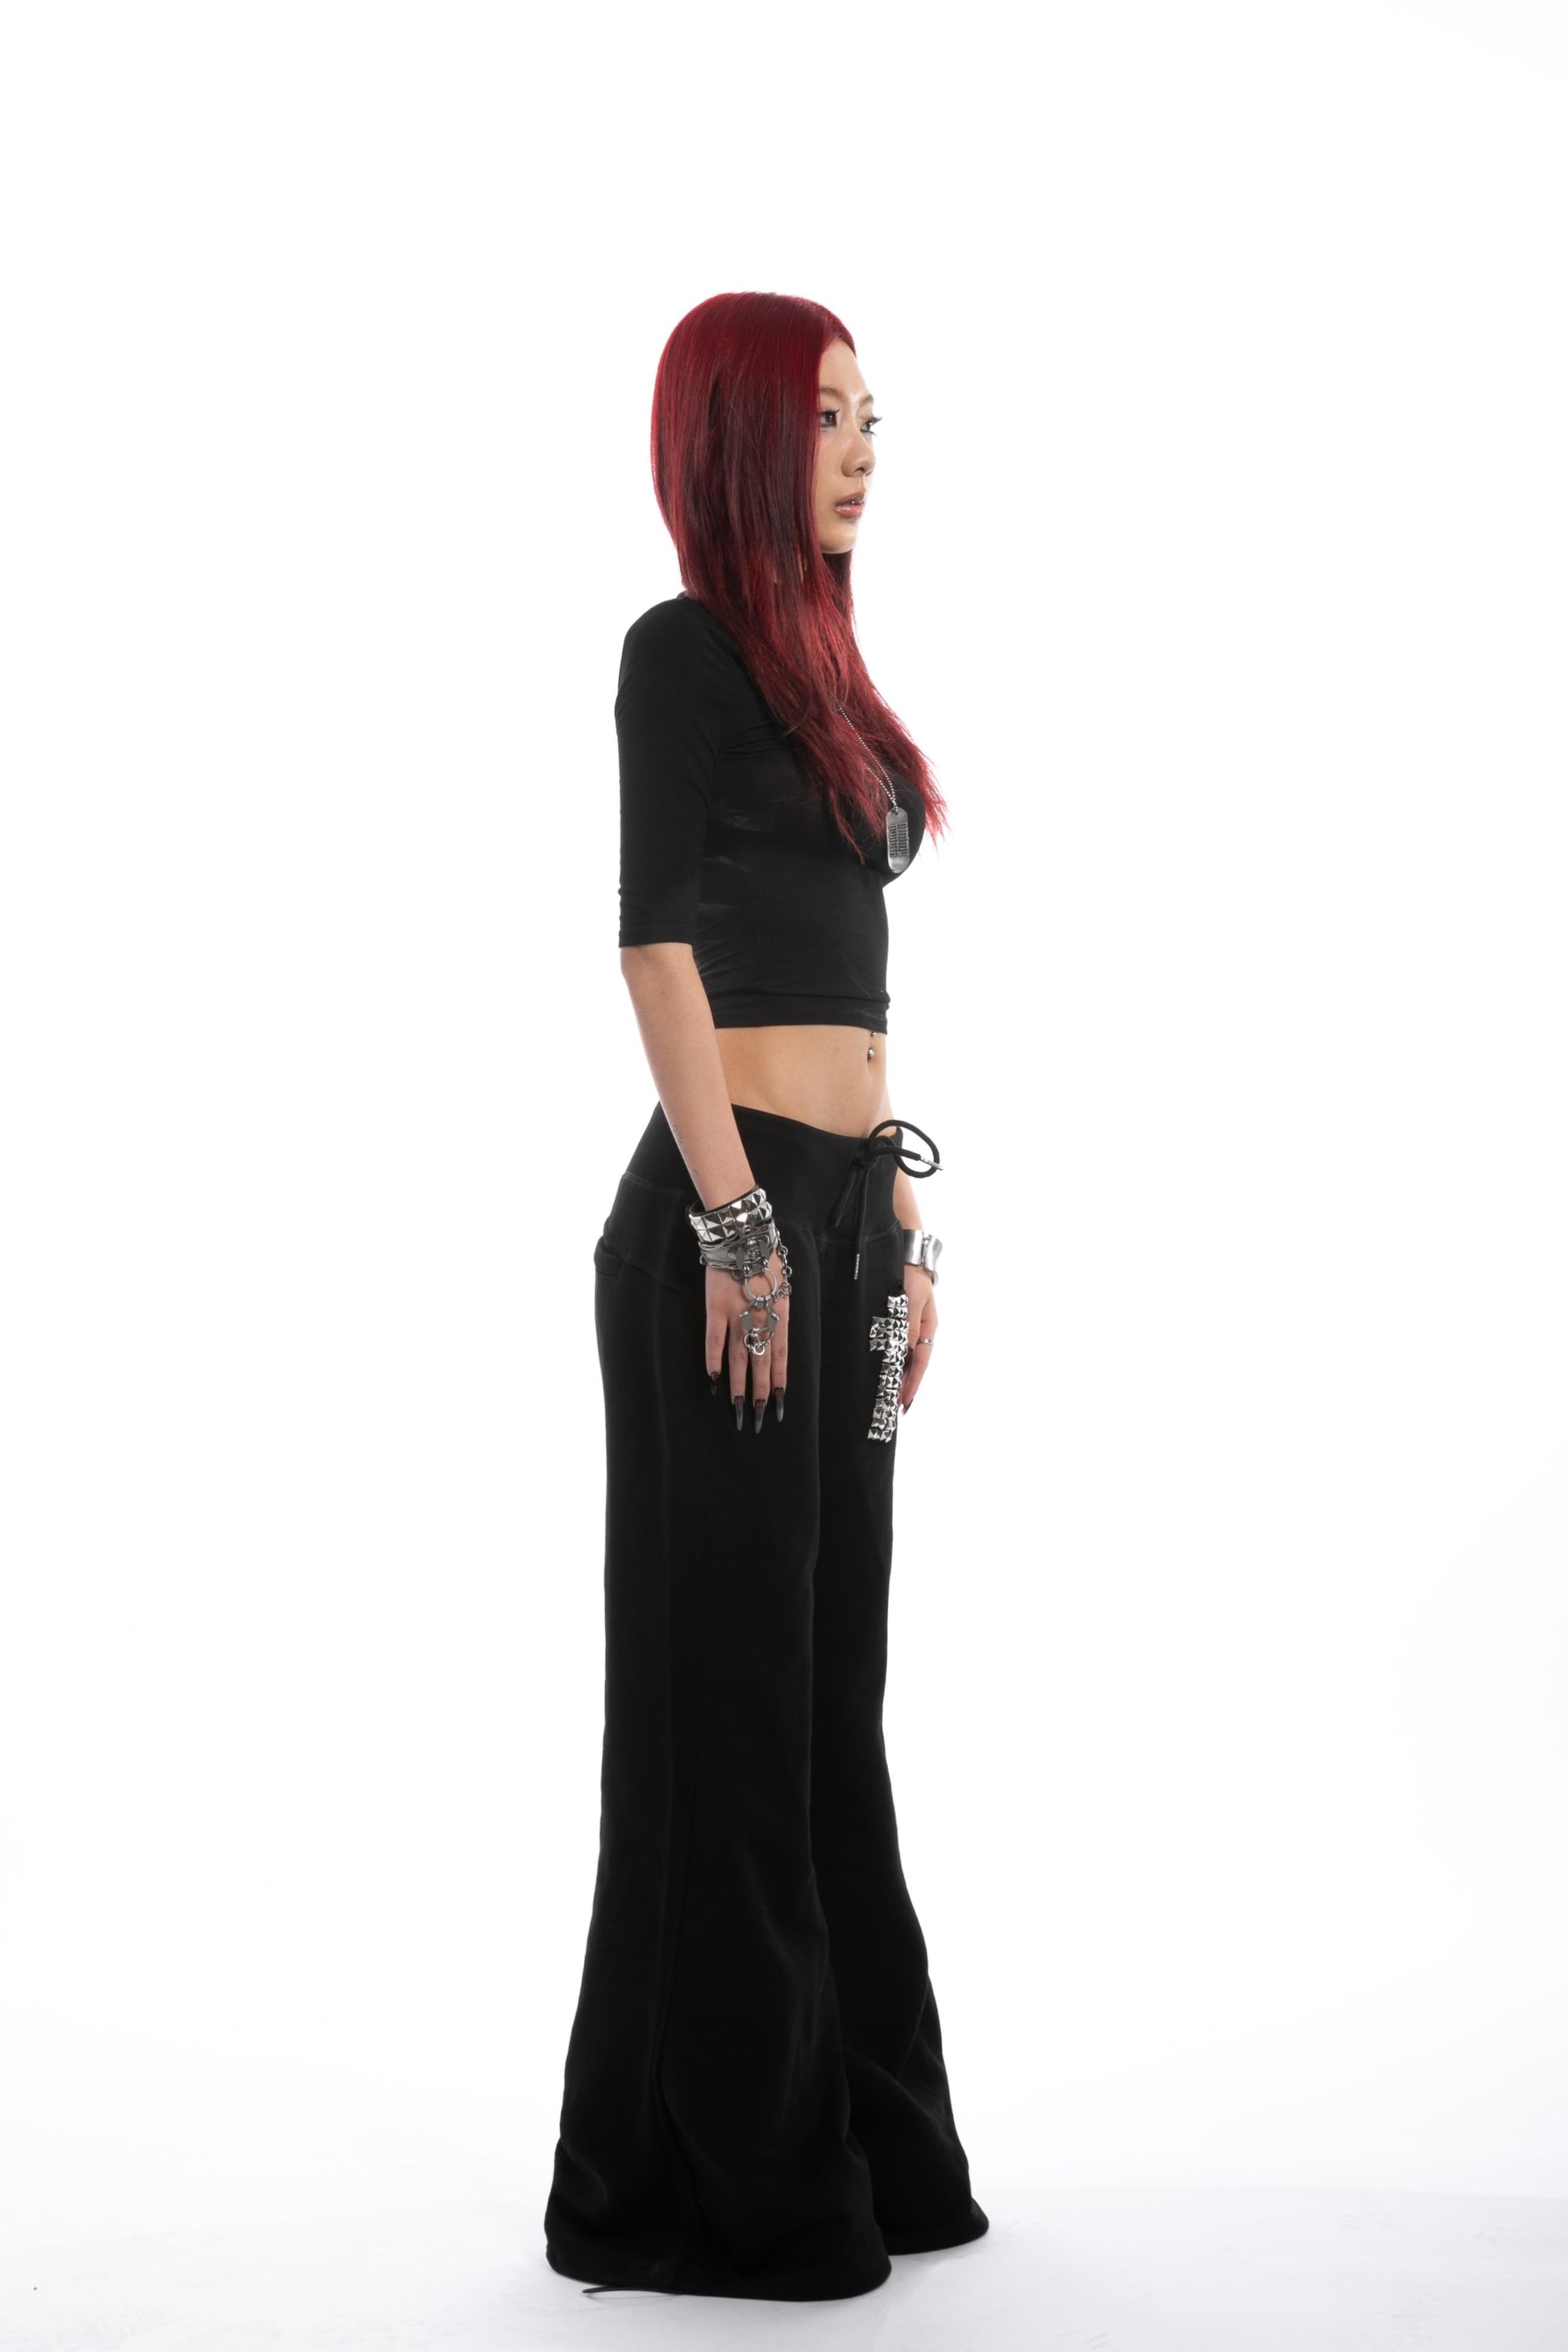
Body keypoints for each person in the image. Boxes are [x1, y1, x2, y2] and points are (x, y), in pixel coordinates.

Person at [542, 291, 988, 2304]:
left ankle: (865, 2138)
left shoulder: (828, 676)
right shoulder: (678, 653)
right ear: (736, 434)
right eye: (826, 415)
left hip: (842, 1216)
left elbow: (852, 990)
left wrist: (894, 1225)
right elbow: (658, 953)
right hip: (723, 1224)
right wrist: (739, 1226)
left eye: (872, 416)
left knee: (827, 1696)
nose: (863, 448)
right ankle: (715, 2177)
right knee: (723, 1700)